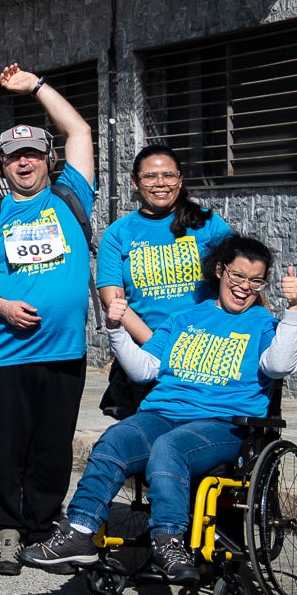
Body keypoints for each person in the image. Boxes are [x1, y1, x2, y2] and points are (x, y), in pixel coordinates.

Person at [25, 237, 297, 584]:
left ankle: (168, 541)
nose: (244, 287)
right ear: (220, 271)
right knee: (114, 441)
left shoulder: (263, 324)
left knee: (170, 447)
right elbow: (144, 369)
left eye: (254, 281)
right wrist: (115, 330)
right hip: (162, 414)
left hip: (222, 424)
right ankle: (79, 532)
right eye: (237, 276)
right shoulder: (184, 318)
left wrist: (295, 309)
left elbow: (279, 365)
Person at [0, 64, 98, 575]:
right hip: (3, 355)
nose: (25, 162)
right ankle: (8, 531)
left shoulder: (72, 197)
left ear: (48, 160)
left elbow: (80, 130)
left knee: (52, 450)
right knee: (3, 449)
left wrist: (36, 88)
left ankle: (43, 530)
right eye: (15, 157)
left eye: (34, 153)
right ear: (2, 166)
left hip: (64, 354)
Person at [94, 145, 232, 419]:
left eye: (169, 175)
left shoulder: (207, 224)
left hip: (206, 352)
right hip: (148, 354)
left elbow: (241, 280)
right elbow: (114, 301)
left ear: (180, 180)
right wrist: (158, 347)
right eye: (150, 176)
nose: (161, 184)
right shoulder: (119, 233)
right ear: (135, 181)